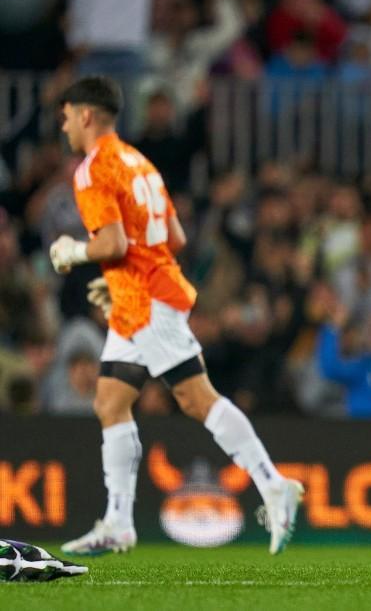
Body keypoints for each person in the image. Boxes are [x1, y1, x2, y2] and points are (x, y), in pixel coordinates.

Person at [47, 76, 303, 557]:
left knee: (195, 398)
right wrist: (118, 275)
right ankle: (119, 521)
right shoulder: (140, 162)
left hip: (145, 300)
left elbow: (113, 243)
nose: (63, 127)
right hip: (138, 295)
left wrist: (73, 251)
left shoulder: (92, 169)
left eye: (64, 117)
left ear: (84, 114)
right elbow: (176, 237)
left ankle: (274, 485)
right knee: (110, 401)